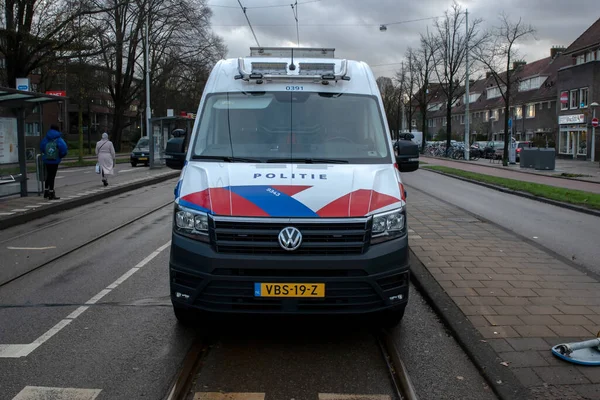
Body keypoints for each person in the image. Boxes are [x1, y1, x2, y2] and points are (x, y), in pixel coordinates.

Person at [39, 124, 68, 200]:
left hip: (47, 159)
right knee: (52, 176)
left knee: (48, 175)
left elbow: (41, 147)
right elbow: (64, 149)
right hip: (55, 160)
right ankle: (51, 192)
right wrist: (60, 156)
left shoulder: (46, 138)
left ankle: (46, 191)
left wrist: (46, 154)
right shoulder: (58, 139)